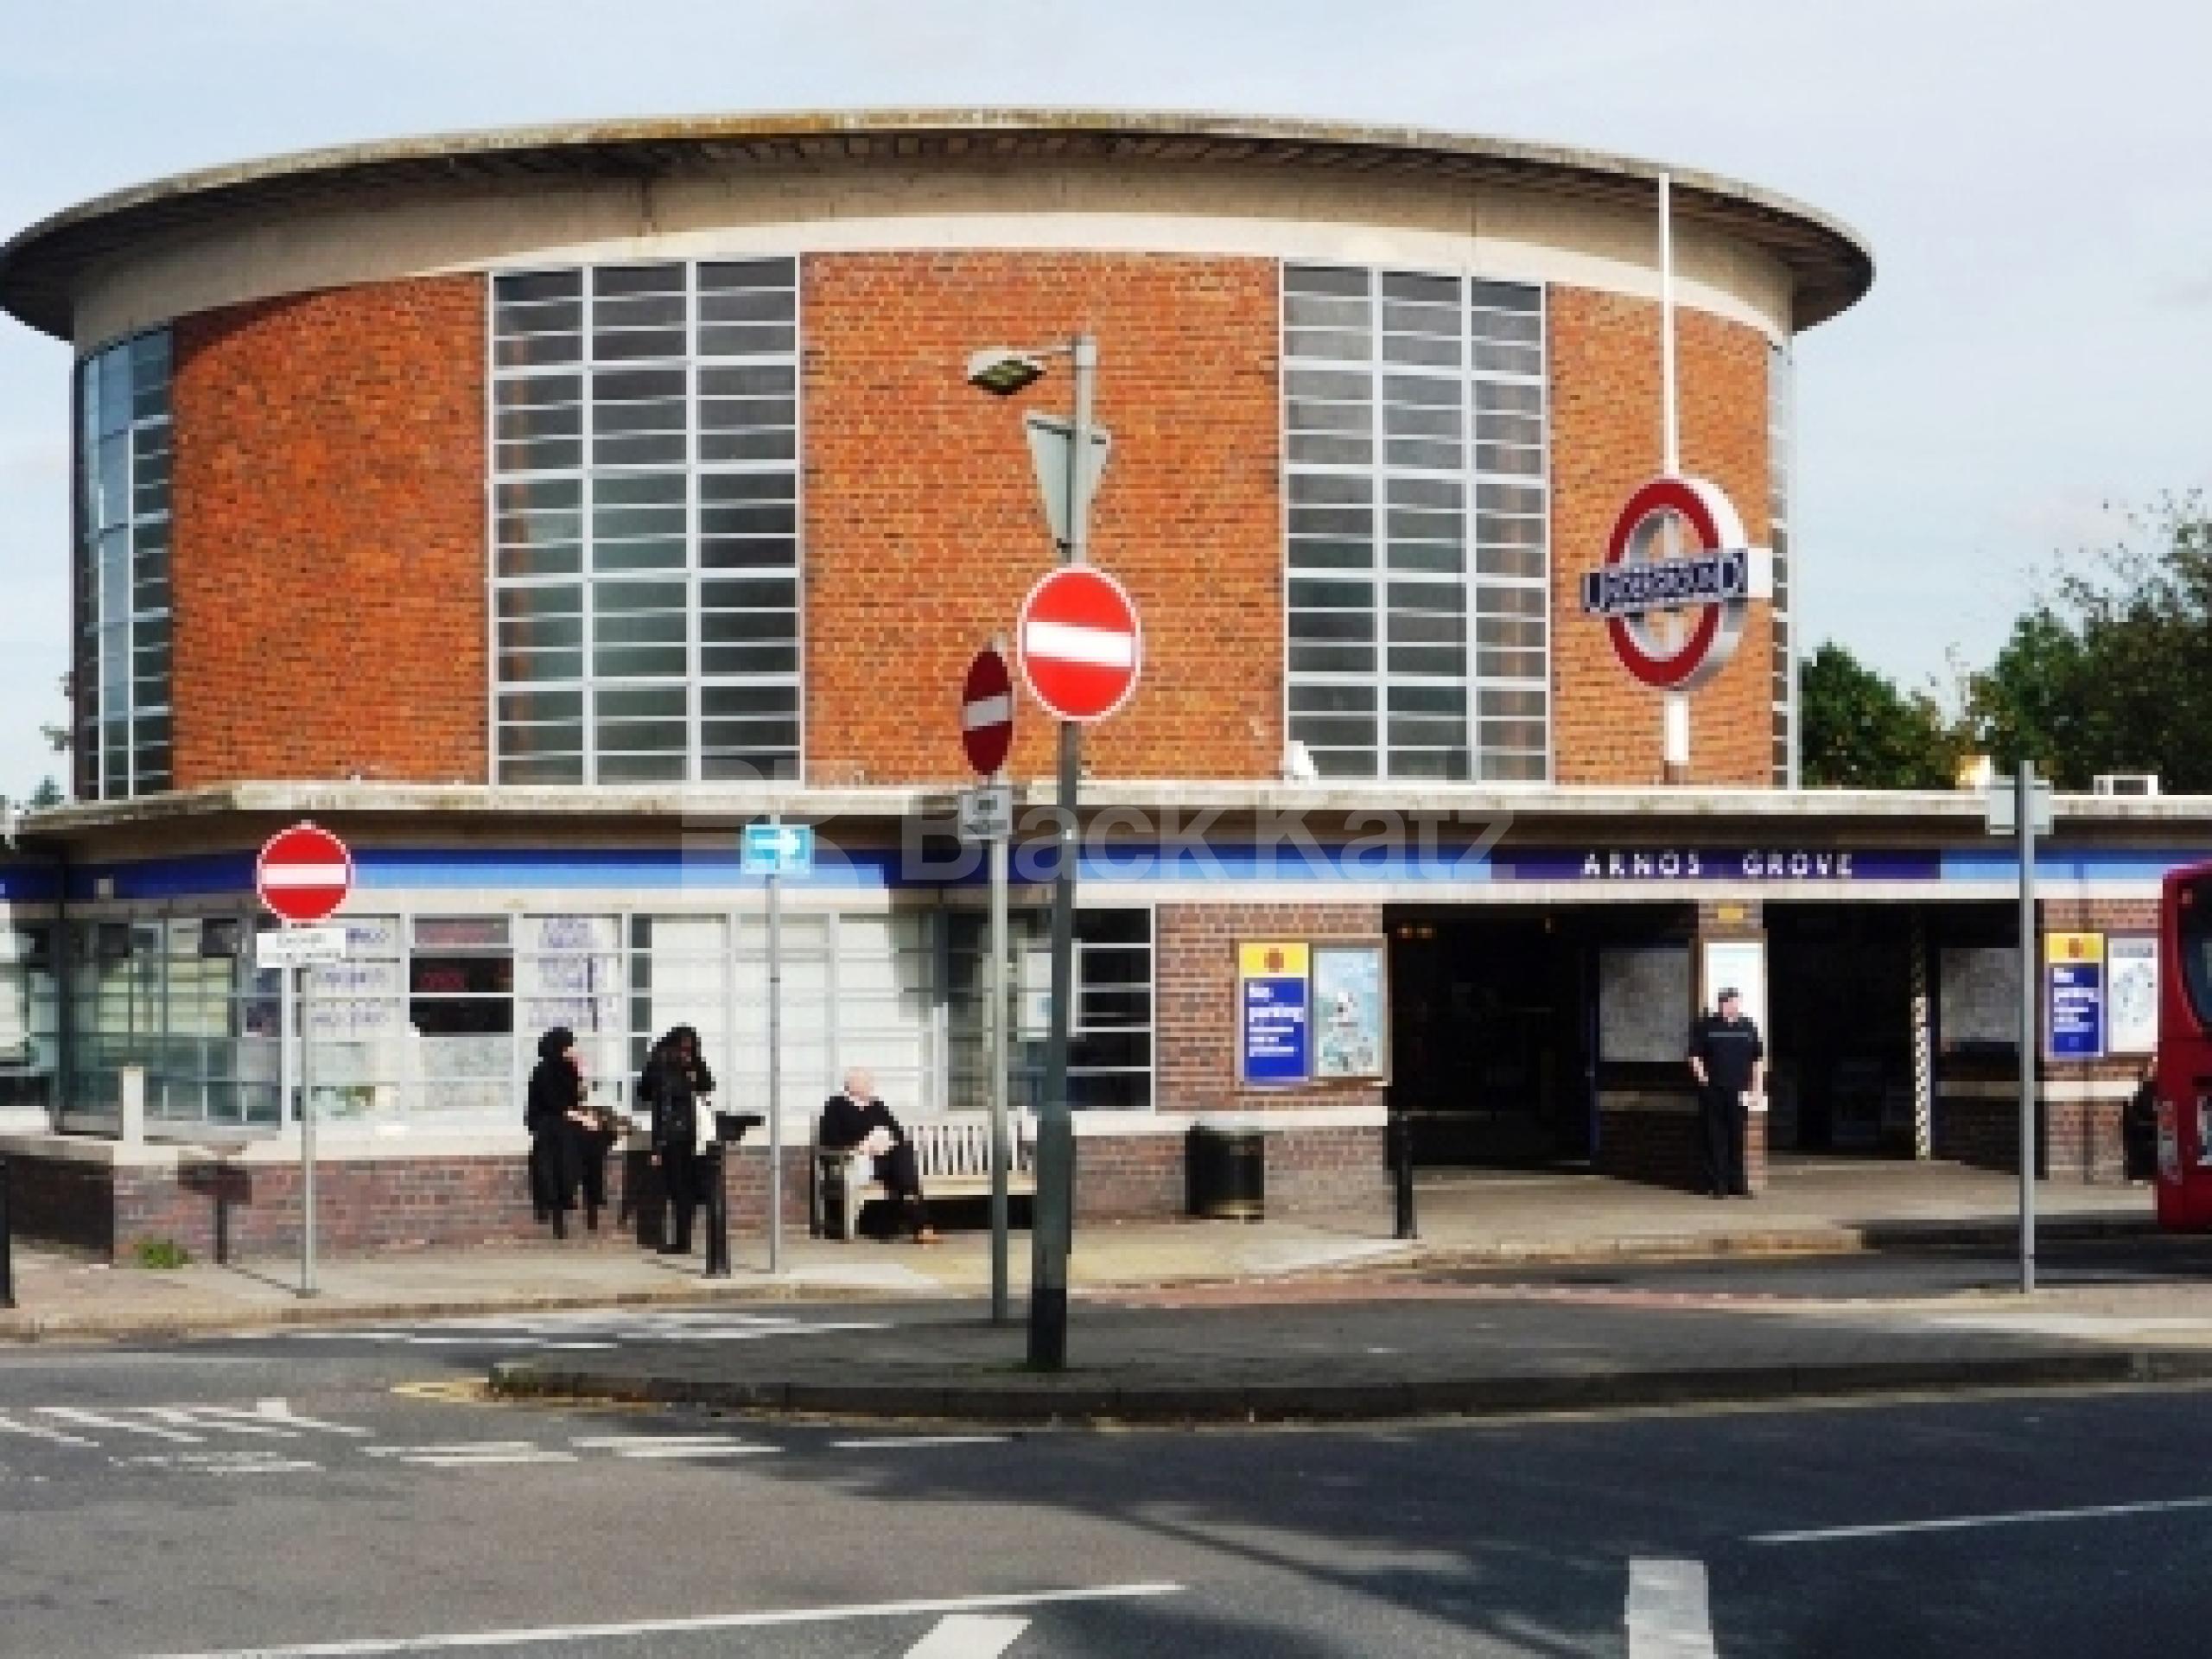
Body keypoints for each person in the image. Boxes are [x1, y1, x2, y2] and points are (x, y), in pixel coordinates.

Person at [818, 1068, 939, 1244]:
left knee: (902, 1153)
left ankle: (906, 1226)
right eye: (866, 1082)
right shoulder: (836, 1106)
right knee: (905, 1176)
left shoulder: (877, 1105)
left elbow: (897, 1132)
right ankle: (921, 1226)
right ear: (851, 1085)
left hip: (884, 1159)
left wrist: (884, 1141)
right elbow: (829, 1138)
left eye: (871, 1082)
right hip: (856, 1160)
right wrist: (860, 1146)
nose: (870, 1086)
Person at [640, 1026, 715, 1255]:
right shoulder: (664, 1069)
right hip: (682, 1137)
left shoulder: (686, 1067)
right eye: (684, 1049)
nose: (687, 1054)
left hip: (685, 1137)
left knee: (682, 1189)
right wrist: (658, 1147)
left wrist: (658, 1147)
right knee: (681, 1190)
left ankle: (682, 1241)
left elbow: (707, 1086)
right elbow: (656, 1101)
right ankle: (681, 1240)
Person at [1688, 987, 1764, 1199]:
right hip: (1714, 1091)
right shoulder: (1706, 1026)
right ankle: (1717, 1185)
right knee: (1715, 1137)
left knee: (1737, 1137)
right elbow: (1695, 1056)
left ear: (1738, 1003)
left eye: (1732, 1002)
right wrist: (1703, 1079)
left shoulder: (1748, 1027)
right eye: (1724, 1002)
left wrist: (1757, 1087)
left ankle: (1737, 1184)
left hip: (1739, 1090)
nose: (1728, 1006)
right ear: (1719, 1004)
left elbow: (1757, 1059)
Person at [525, 1027, 583, 1239]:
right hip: (549, 1124)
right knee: (559, 1158)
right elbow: (554, 1103)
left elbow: (578, 1098)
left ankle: (571, 1194)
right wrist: (579, 1117)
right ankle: (557, 1201)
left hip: (564, 1122)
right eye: (569, 1046)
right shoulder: (544, 1071)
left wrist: (579, 1075)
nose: (573, 1050)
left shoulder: (569, 1069)